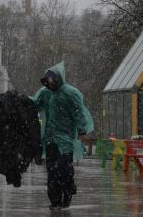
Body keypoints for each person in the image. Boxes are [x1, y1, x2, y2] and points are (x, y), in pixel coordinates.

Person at [30, 62, 94, 210]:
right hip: (51, 139)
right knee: (52, 172)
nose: (50, 84)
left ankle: (66, 197)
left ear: (58, 79)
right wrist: (21, 101)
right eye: (47, 81)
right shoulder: (45, 93)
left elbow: (78, 111)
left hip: (65, 141)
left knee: (64, 171)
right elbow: (35, 104)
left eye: (52, 81)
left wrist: (82, 128)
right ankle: (55, 201)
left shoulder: (70, 93)